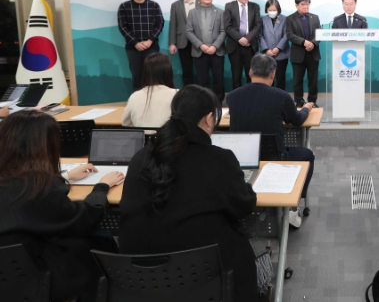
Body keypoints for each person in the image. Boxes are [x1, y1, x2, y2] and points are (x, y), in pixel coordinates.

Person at [118, 85, 258, 300]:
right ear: (209, 119)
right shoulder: (218, 159)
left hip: (142, 278)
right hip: (203, 276)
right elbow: (244, 206)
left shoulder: (141, 157)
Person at [0, 110, 123, 302]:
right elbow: (83, 219)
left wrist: (65, 177)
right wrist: (101, 187)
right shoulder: (40, 186)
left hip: (9, 270)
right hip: (36, 275)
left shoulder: (16, 179)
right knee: (100, 239)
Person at [226, 54, 315, 228]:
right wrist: (306, 108)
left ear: (250, 72)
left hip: (242, 159)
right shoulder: (281, 97)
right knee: (307, 155)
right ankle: (293, 205)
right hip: (275, 157)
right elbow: (297, 120)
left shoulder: (232, 97)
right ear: (273, 75)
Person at [117, 0, 164, 92]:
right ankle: (138, 101)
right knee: (136, 76)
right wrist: (135, 43)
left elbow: (160, 24)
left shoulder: (154, 5)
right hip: (133, 48)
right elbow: (122, 27)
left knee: (153, 75)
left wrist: (150, 40)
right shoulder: (124, 6)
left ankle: (153, 99)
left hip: (151, 46)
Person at [187, 0, 226, 101]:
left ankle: (218, 102)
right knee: (202, 80)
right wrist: (201, 45)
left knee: (218, 79)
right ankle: (204, 102)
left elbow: (223, 31)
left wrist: (214, 46)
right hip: (199, 51)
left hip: (217, 51)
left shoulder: (220, 12)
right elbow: (189, 31)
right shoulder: (192, 13)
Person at [122, 52, 177, 128]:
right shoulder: (178, 95)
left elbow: (126, 124)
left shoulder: (134, 96)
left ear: (145, 73)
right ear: (169, 73)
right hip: (169, 135)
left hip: (143, 136)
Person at [224, 0, 262, 91]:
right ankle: (237, 97)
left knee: (252, 75)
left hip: (250, 46)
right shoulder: (229, 6)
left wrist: (247, 38)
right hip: (235, 46)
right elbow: (227, 27)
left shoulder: (255, 7)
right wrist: (240, 38)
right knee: (236, 75)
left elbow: (258, 25)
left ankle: (251, 97)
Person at [286, 0, 322, 108]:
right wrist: (304, 42)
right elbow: (289, 35)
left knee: (313, 80)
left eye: (307, 4)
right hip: (298, 54)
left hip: (313, 53)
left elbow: (320, 33)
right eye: (303, 4)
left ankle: (312, 101)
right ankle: (299, 101)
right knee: (298, 81)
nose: (306, 6)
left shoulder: (315, 17)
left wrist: (312, 43)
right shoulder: (290, 18)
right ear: (296, 5)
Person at [168, 0, 199, 86]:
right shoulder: (176, 5)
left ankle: (201, 92)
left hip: (200, 41)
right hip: (182, 41)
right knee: (187, 70)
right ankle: (188, 93)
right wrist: (172, 43)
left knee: (201, 70)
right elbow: (173, 24)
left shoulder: (201, 3)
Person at [260, 0, 290, 91]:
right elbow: (260, 36)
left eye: (274, 10)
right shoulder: (263, 20)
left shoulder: (285, 19)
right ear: (266, 9)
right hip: (267, 55)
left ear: (278, 9)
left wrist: (278, 48)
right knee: (268, 78)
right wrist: (266, 49)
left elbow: (286, 35)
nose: (272, 12)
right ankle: (269, 97)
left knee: (280, 78)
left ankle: (281, 97)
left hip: (281, 54)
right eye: (270, 10)